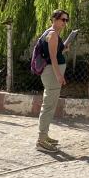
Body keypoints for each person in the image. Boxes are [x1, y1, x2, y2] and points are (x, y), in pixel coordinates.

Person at [36, 10, 71, 153]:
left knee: (49, 104)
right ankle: (41, 140)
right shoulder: (52, 34)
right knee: (48, 106)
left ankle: (45, 135)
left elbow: (55, 54)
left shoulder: (52, 34)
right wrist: (59, 75)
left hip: (52, 72)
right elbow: (53, 58)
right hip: (52, 73)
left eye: (66, 20)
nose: (65, 23)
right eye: (63, 19)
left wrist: (64, 49)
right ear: (54, 19)